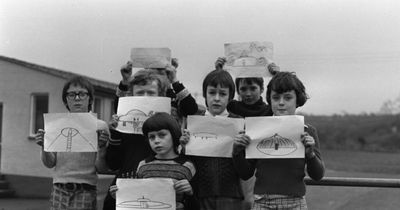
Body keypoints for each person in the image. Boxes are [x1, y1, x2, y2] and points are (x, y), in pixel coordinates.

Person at [103, 68, 198, 210]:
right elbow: (112, 163)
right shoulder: (124, 122)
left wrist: (175, 81)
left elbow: (191, 109)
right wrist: (115, 132)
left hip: (162, 192)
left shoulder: (167, 123)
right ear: (132, 96)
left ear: (160, 96)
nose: (145, 97)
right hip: (128, 190)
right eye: (140, 93)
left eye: (151, 93)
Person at [232, 71, 325, 209]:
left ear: (298, 100)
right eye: (276, 98)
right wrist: (237, 152)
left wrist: (310, 155)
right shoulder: (258, 129)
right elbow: (246, 174)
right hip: (262, 202)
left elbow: (317, 175)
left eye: (288, 98)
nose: (281, 103)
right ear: (269, 100)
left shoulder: (307, 131)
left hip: (295, 202)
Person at [35, 76, 110, 210]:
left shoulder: (100, 126)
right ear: (66, 100)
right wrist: (43, 147)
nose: (77, 98)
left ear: (90, 99)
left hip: (85, 189)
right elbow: (50, 163)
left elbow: (102, 168)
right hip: (59, 188)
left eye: (82, 94)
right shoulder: (55, 125)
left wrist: (102, 148)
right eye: (71, 94)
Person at [215, 57, 280, 209]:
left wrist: (276, 75)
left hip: (258, 165)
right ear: (237, 91)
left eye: (253, 88)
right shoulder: (232, 107)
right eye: (243, 89)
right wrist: (219, 72)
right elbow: (219, 95)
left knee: (250, 202)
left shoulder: (269, 109)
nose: (248, 93)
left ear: (262, 89)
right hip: (231, 162)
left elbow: (282, 92)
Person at [180, 69, 245, 210]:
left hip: (230, 195)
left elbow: (245, 169)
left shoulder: (238, 122)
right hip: (199, 194)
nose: (216, 98)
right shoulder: (195, 122)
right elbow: (187, 162)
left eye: (222, 94)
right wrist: (184, 147)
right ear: (204, 94)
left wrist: (239, 149)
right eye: (212, 93)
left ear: (230, 96)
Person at [109, 112, 197, 210]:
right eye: (152, 137)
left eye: (162, 135)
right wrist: (121, 195)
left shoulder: (187, 166)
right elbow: (139, 195)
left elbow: (196, 200)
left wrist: (190, 192)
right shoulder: (143, 165)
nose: (156, 140)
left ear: (174, 134)